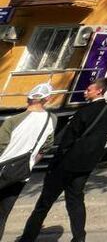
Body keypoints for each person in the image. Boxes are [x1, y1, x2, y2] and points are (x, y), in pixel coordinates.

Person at [17, 77, 107, 242]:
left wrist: (53, 163)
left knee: (44, 203)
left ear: (99, 91)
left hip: (65, 164)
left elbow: (67, 141)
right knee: (76, 201)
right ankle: (79, 238)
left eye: (89, 90)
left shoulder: (84, 112)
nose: (85, 92)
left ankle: (27, 238)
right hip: (86, 165)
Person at [0, 84, 57, 238]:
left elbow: (1, 145)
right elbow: (46, 147)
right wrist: (31, 162)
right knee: (3, 214)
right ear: (47, 99)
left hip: (2, 169)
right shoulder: (51, 119)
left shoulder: (13, 120)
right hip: (22, 172)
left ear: (28, 98)